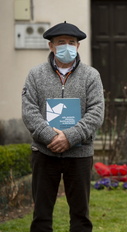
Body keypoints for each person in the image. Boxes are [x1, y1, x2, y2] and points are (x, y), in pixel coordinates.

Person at [22, 21, 104, 232]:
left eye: (71, 42)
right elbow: (29, 110)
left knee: (80, 215)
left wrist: (69, 137)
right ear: (51, 46)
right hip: (44, 152)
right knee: (41, 214)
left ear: (77, 46)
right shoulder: (35, 75)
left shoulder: (91, 75)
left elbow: (96, 113)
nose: (67, 46)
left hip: (79, 153)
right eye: (61, 42)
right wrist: (50, 137)